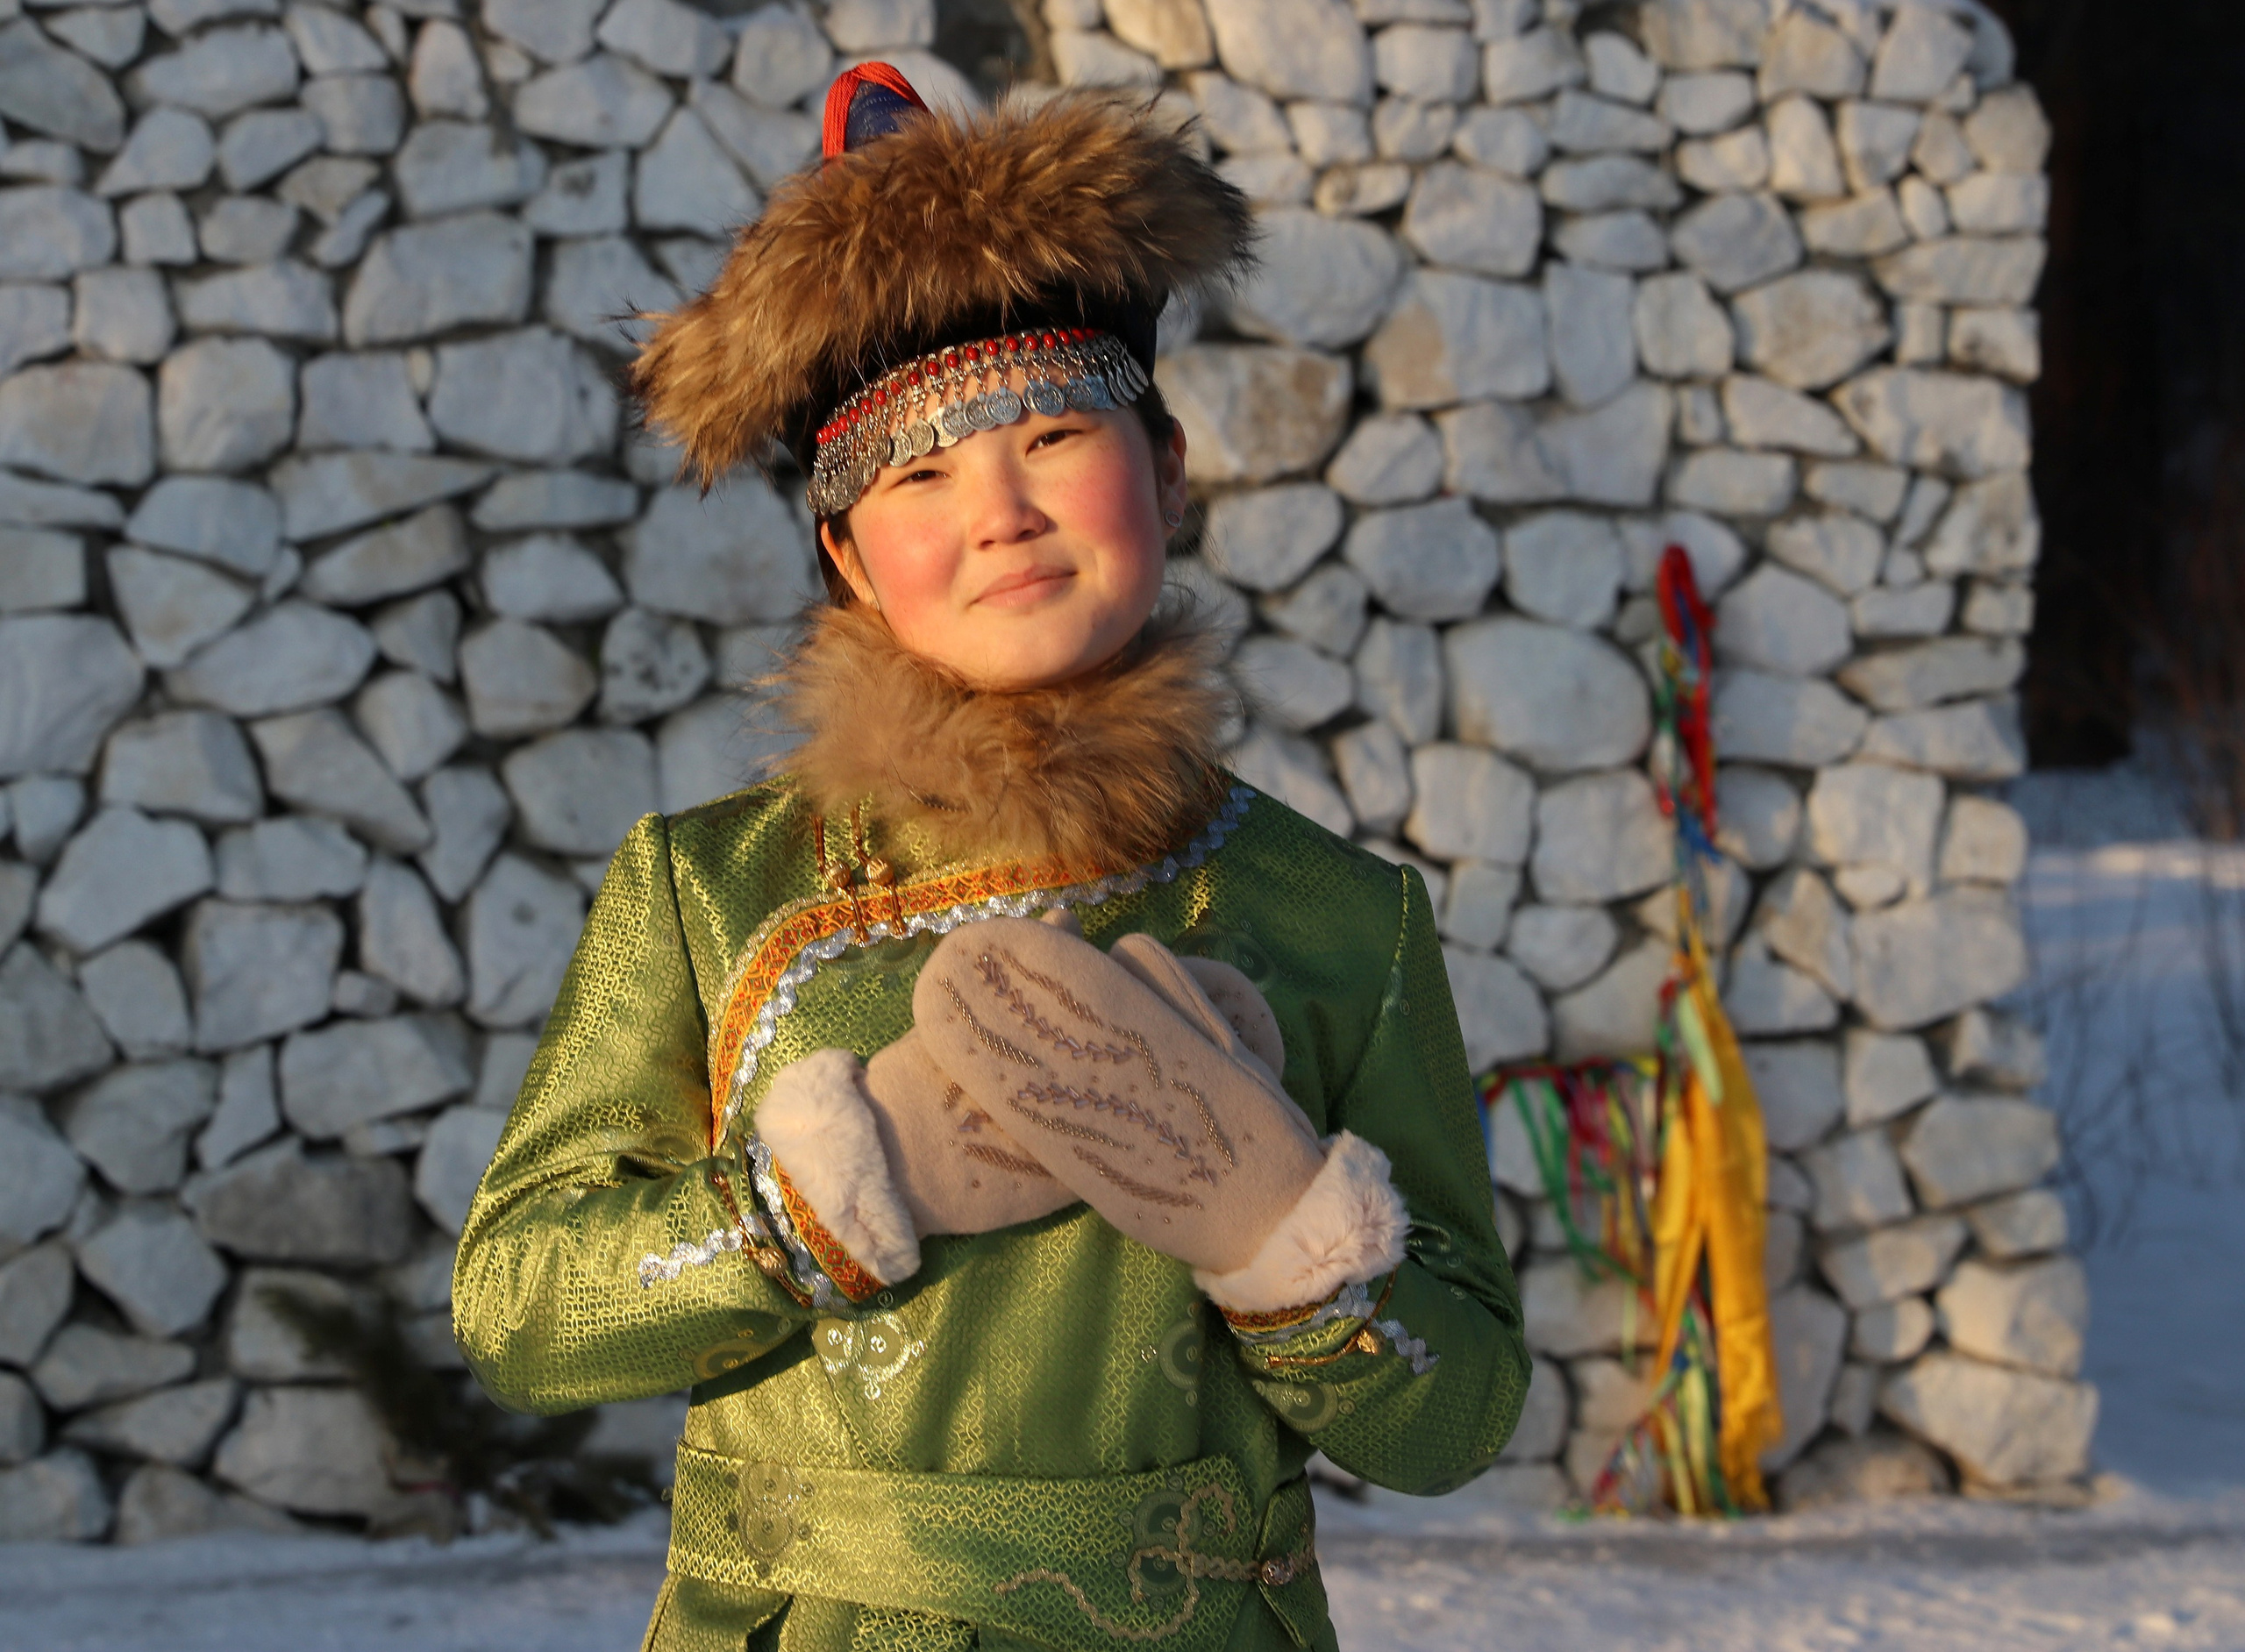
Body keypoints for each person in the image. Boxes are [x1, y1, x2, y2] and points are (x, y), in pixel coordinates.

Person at [453, 63, 1530, 1652]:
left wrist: (1284, 1244)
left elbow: (1458, 1418)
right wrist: (824, 1195)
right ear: (847, 562)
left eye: (1051, 433)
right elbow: (522, 1305)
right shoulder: (712, 895)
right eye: (921, 472)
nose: (1002, 510)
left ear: (1164, 470)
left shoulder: (1336, 919)